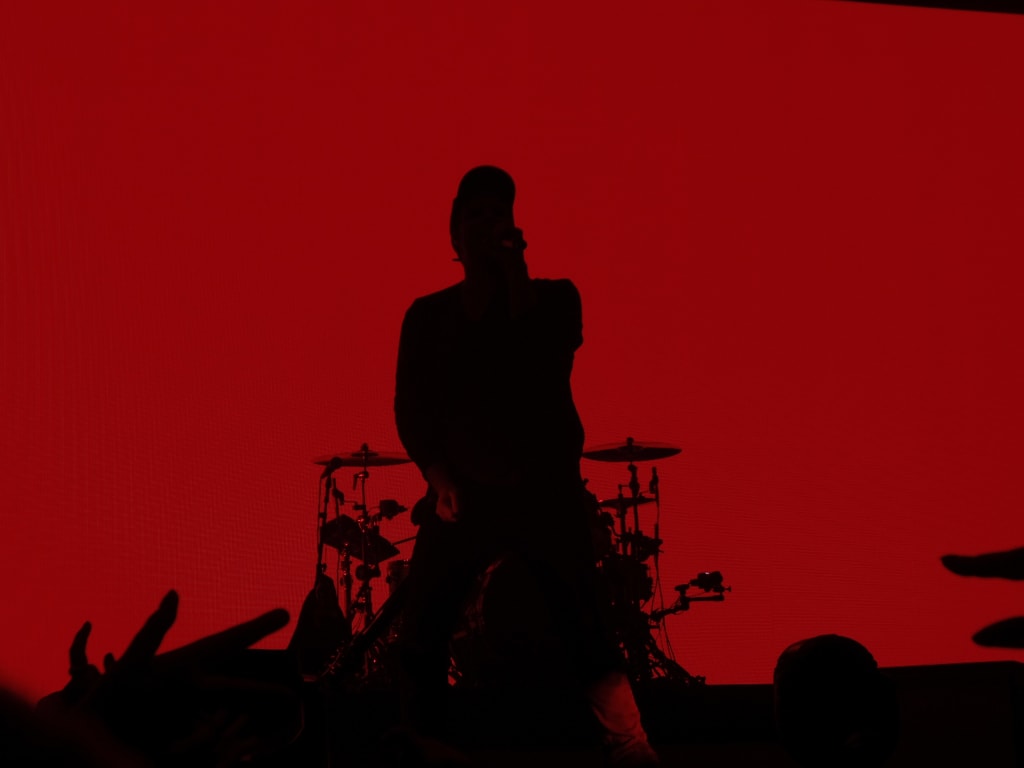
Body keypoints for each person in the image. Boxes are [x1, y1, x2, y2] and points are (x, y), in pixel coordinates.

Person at [393, 165, 658, 766]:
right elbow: (412, 405)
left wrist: (515, 276)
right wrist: (438, 477)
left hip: (543, 491)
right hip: (464, 493)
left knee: (586, 625)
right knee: (424, 629)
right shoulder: (428, 316)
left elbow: (545, 358)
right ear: (454, 234)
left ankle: (631, 748)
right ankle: (425, 746)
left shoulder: (556, 299)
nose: (488, 224)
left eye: (499, 213)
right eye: (475, 215)